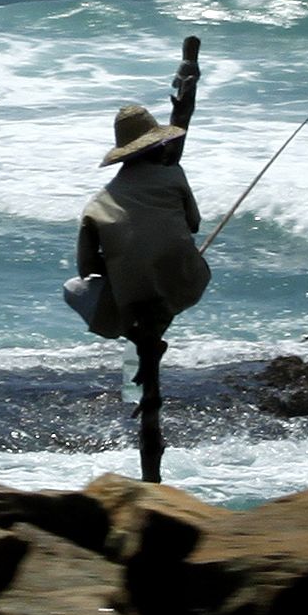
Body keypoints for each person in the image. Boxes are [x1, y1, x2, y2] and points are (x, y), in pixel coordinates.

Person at [75, 104, 211, 412]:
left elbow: (85, 269)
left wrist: (116, 260)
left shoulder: (97, 204)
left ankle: (139, 343)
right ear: (157, 144)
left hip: (134, 299)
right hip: (186, 280)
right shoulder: (174, 175)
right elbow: (194, 223)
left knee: (75, 290)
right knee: (161, 288)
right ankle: (148, 352)